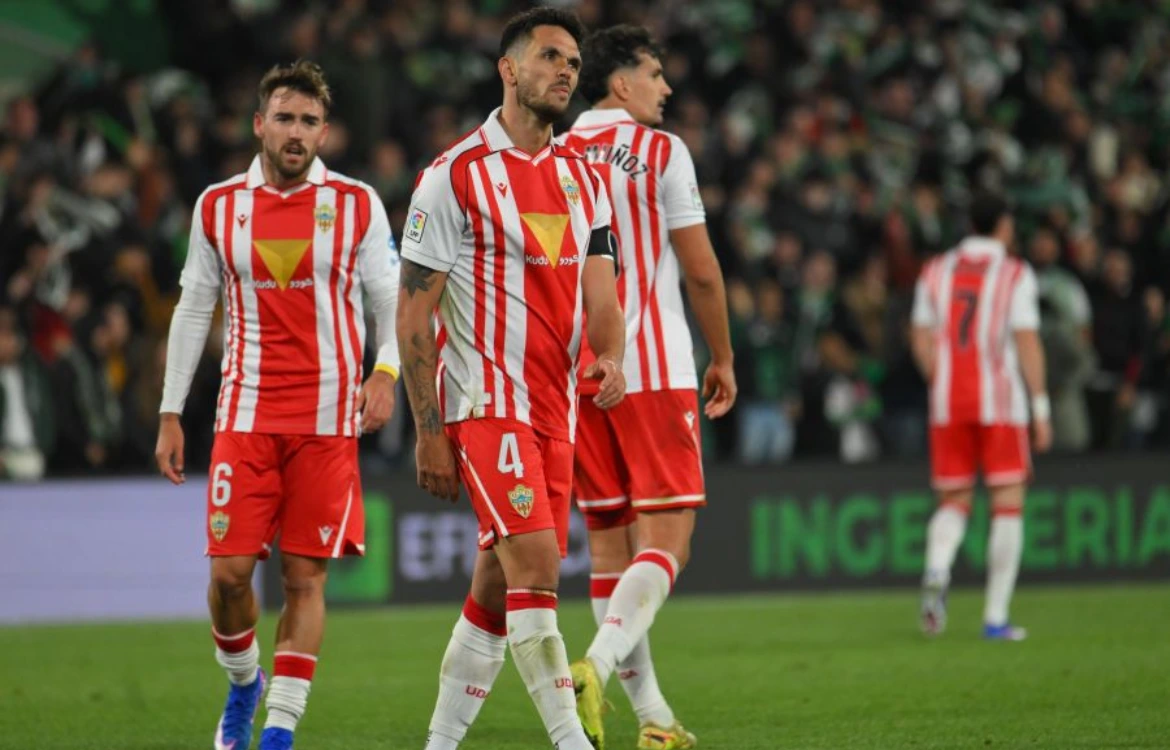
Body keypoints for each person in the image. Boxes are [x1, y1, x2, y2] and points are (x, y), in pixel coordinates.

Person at [396, 8, 625, 750]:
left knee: (495, 588)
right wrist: (430, 433)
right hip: (485, 403)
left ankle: (439, 743)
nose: (565, 71)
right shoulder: (454, 175)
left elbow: (603, 297)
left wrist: (611, 356)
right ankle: (570, 741)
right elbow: (412, 315)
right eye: (550, 56)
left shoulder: (586, 179)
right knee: (537, 568)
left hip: (557, 412)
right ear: (508, 68)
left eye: (573, 63)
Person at [154, 61, 401, 750]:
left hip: (328, 421)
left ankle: (279, 733)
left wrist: (385, 373)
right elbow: (194, 309)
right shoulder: (217, 206)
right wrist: (171, 411)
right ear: (259, 124)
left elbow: (390, 300)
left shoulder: (356, 203)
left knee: (304, 579)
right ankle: (243, 683)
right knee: (230, 576)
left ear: (325, 132)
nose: (296, 133)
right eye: (285, 118)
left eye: (309, 122)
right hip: (245, 416)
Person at [561, 25, 737, 749]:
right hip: (653, 367)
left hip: (578, 374)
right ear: (621, 82)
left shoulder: (552, 154)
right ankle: (593, 667)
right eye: (654, 74)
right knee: (669, 544)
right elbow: (701, 270)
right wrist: (723, 355)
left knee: (610, 552)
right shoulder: (661, 151)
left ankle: (654, 721)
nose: (665, 88)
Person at [910, 192, 1052, 642]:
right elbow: (1026, 341)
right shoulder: (1014, 272)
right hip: (1000, 404)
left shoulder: (935, 270)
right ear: (1003, 226)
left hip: (948, 404)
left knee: (954, 500)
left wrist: (939, 377)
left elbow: (920, 335)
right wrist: (1041, 406)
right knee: (1007, 502)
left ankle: (937, 569)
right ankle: (995, 618)